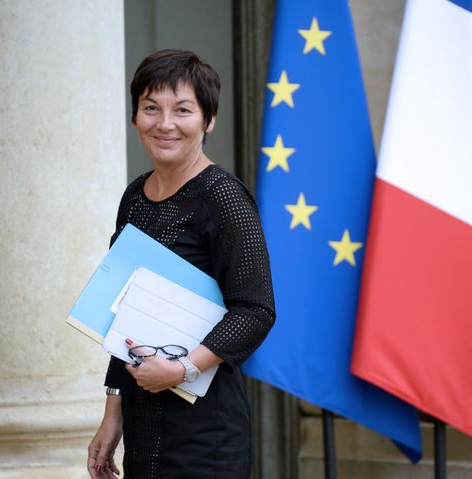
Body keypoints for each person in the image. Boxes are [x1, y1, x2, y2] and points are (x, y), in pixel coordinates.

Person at [87, 49, 275, 479]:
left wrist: (182, 368)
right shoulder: (134, 198)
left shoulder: (224, 198)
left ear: (208, 121)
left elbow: (256, 310)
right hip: (142, 414)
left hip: (205, 426)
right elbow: (125, 315)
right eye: (151, 108)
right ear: (135, 117)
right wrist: (112, 412)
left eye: (183, 110)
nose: (165, 123)